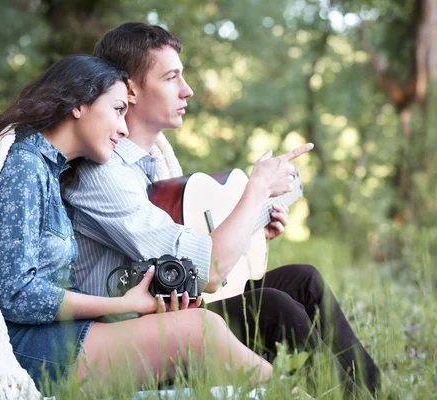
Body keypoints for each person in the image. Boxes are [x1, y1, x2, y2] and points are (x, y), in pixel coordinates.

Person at [0, 55, 271, 399]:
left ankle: (289, 385)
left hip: (54, 334)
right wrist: (120, 304)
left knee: (199, 327)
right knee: (201, 332)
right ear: (77, 104)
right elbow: (18, 294)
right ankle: (292, 387)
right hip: (24, 345)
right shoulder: (24, 165)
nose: (124, 128)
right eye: (117, 110)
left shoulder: (51, 168)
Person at [62, 23, 382, 396]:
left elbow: (195, 259)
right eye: (171, 77)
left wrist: (252, 227)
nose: (188, 90)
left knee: (304, 279)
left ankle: (375, 393)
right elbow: (207, 271)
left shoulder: (155, 168)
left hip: (170, 310)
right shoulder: (104, 174)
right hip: (129, 332)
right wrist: (256, 188)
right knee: (273, 306)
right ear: (130, 90)